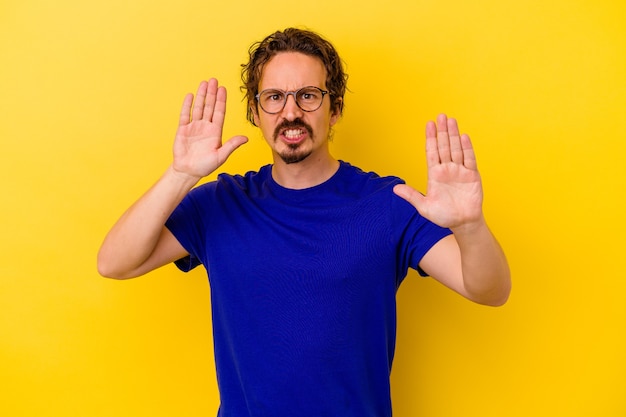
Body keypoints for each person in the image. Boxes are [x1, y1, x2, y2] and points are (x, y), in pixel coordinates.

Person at [98, 28, 510, 417]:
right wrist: (182, 174)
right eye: (274, 97)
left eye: (308, 95)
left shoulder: (389, 205)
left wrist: (470, 226)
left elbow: (489, 290)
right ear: (256, 113)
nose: (290, 112)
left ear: (335, 110)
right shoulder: (220, 203)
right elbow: (115, 262)